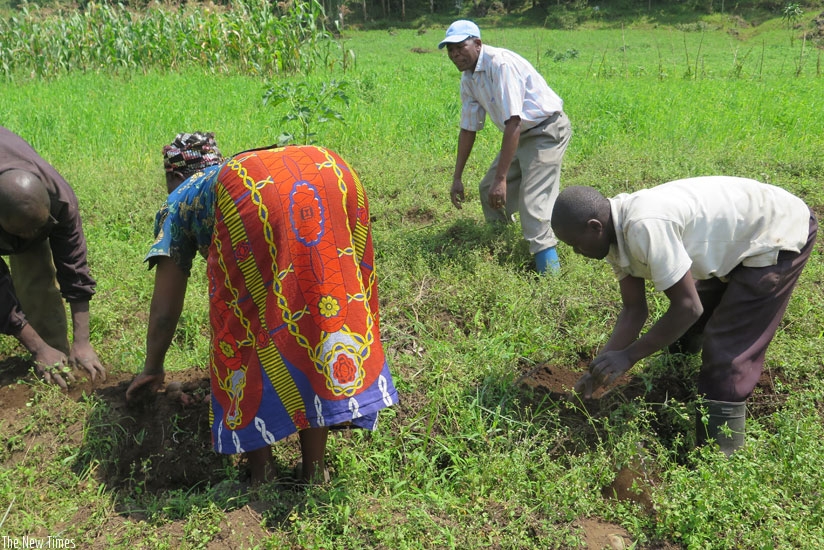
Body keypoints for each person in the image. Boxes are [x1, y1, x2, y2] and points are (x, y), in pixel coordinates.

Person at [126, 133, 399, 485]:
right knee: (318, 316)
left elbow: (165, 307)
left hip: (255, 191)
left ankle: (262, 475)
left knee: (242, 329)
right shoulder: (225, 174)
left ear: (174, 175)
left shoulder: (181, 197)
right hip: (331, 169)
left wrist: (153, 367)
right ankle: (315, 471)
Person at [551, 176, 817, 455]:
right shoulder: (611, 235)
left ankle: (719, 456)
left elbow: (688, 308)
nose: (576, 252)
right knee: (689, 328)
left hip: (776, 230)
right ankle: (676, 382)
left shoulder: (643, 226)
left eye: (574, 244)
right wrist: (601, 366)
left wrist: (629, 356)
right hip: (736, 239)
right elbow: (634, 310)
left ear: (594, 227)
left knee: (726, 351)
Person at [439, 20, 572, 274]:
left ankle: (552, 281)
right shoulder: (469, 78)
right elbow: (468, 128)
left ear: (477, 43)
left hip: (545, 131)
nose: (455, 55)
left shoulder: (500, 64)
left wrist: (503, 179)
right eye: (450, 50)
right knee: (488, 190)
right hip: (519, 135)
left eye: (460, 47)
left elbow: (514, 121)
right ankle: (504, 249)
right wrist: (457, 177)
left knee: (533, 207)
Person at [0, 126, 106, 389]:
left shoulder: (61, 200)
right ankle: (40, 350)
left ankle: (54, 359)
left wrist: (82, 341)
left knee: (35, 274)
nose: (31, 236)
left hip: (24, 209)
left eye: (38, 228)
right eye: (22, 232)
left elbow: (75, 268)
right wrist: (36, 348)